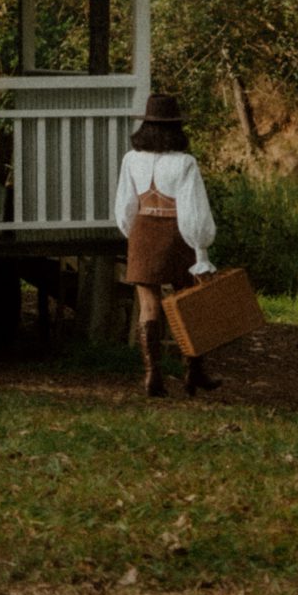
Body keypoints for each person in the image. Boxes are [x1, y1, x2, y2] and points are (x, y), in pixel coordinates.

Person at [113, 92, 219, 398]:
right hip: (177, 235)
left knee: (148, 306)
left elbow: (125, 207)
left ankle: (152, 375)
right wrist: (201, 251)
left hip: (143, 231)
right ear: (175, 129)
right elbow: (194, 211)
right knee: (188, 303)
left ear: (146, 126)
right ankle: (194, 370)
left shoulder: (131, 160)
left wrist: (133, 235)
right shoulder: (185, 163)